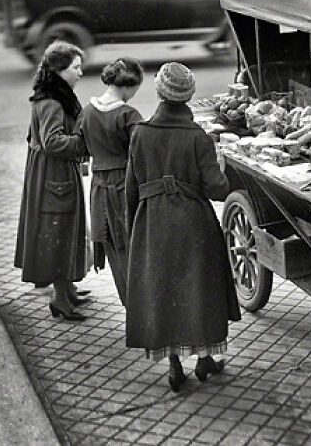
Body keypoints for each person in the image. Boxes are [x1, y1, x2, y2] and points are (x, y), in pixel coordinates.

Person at [125, 62, 241, 392]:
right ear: (188, 96)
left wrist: (134, 227)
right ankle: (205, 359)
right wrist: (221, 165)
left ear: (159, 92)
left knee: (164, 293)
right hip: (194, 224)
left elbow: (130, 188)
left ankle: (175, 365)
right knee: (200, 292)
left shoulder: (140, 134)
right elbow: (217, 190)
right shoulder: (198, 138)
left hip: (152, 223)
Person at [14, 40, 89, 321]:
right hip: (53, 174)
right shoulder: (52, 101)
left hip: (53, 173)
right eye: (76, 68)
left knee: (64, 227)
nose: (81, 72)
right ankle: (60, 300)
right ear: (60, 71)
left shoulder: (54, 94)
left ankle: (67, 288)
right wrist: (83, 143)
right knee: (59, 230)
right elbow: (52, 141)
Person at [79, 58, 144, 306]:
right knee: (133, 245)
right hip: (124, 184)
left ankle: (129, 303)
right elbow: (141, 153)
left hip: (98, 186)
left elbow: (82, 147)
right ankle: (140, 306)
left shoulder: (87, 111)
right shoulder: (128, 114)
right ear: (128, 86)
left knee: (113, 248)